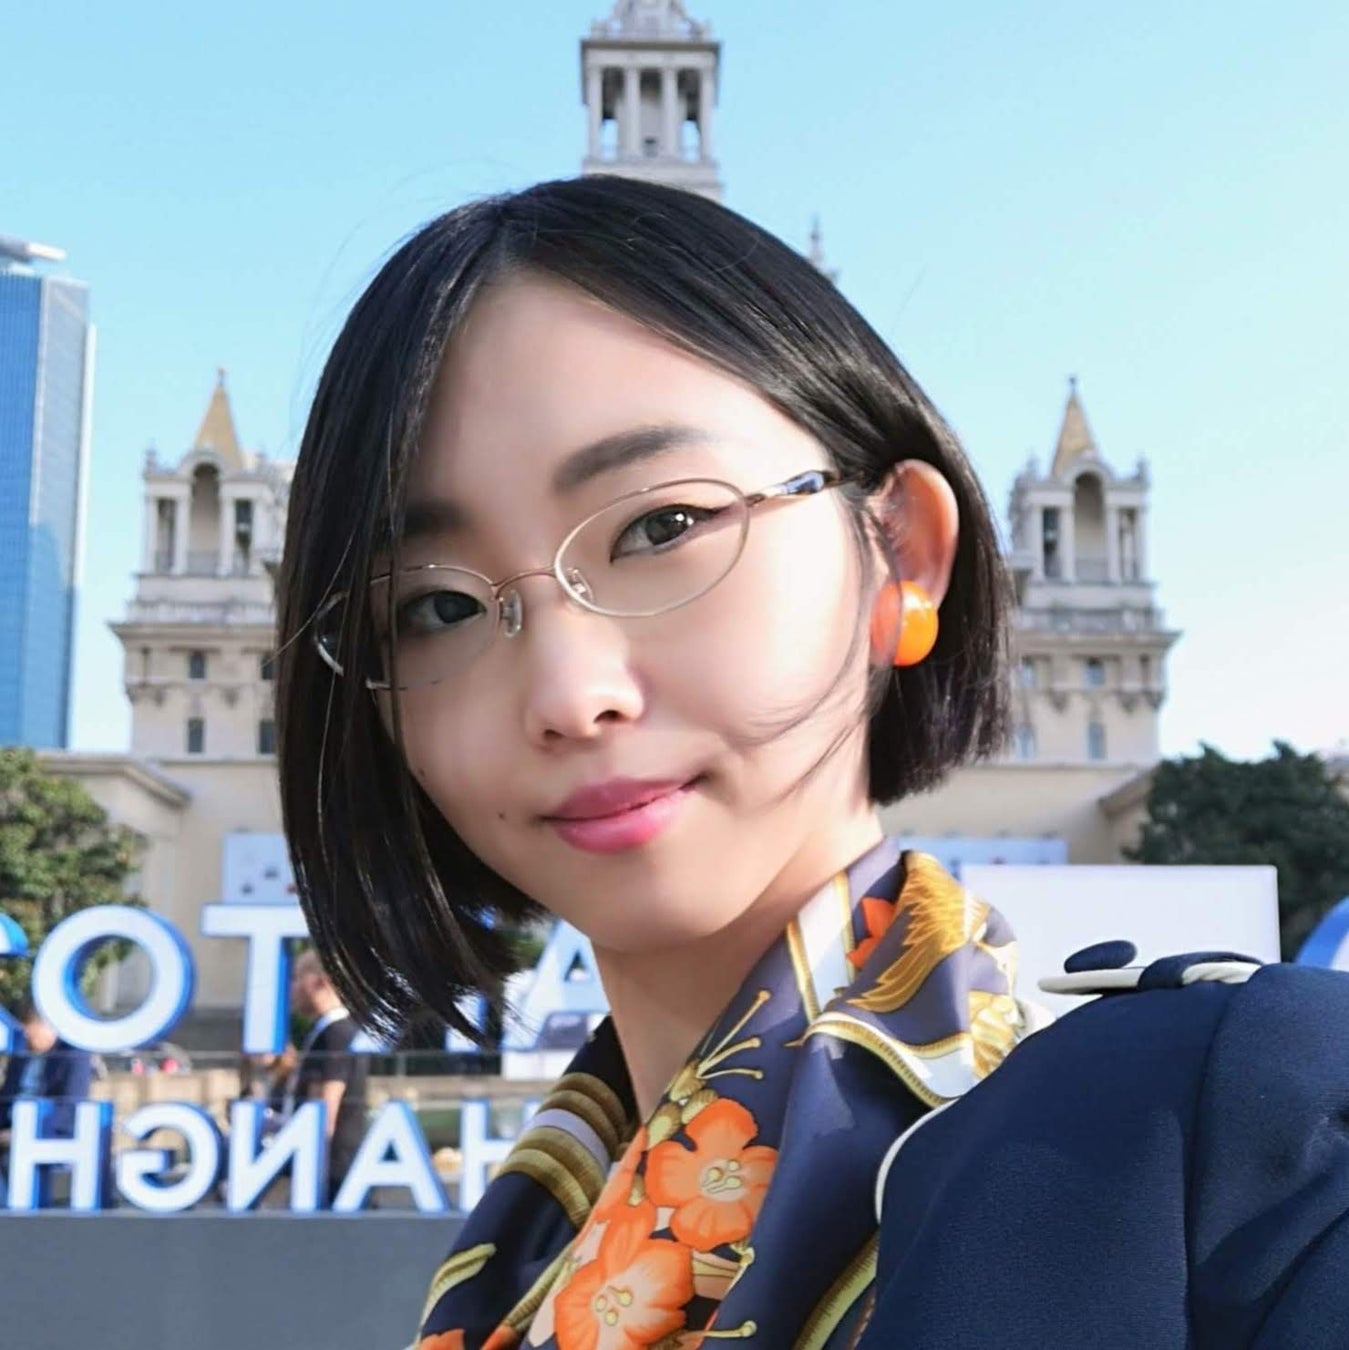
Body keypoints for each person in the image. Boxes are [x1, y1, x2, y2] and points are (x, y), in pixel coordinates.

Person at [272, 176, 1349, 1347]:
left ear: (902, 557)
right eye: (435, 607)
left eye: (661, 528)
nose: (568, 695)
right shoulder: (520, 1259)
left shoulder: (1244, 1148)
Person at [286, 949, 369, 1206]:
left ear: (319, 981)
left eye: (297, 978)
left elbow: (327, 1106)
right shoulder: (329, 1031)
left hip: (332, 1171)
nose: (292, 988)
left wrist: (312, 1163)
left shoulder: (337, 1033)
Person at [0, 999, 97, 1208]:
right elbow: (5, 1099)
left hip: (47, 1133)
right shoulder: (21, 1056)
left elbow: (69, 1108)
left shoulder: (73, 1056)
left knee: (12, 1160)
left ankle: (12, 1216)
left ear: (50, 1026)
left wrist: (23, 1133)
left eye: (31, 1026)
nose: (27, 1033)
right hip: (9, 1130)